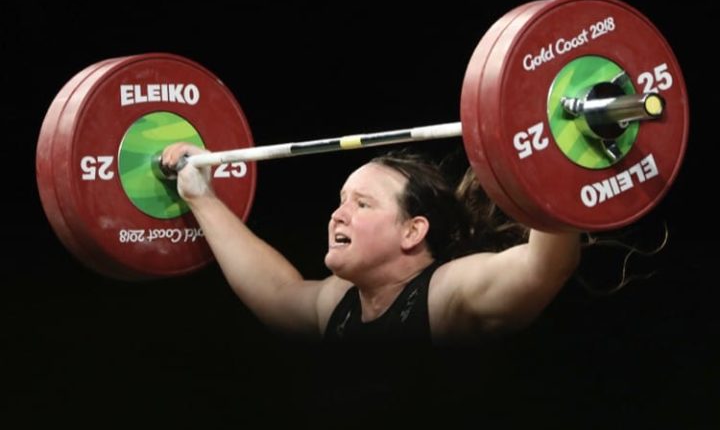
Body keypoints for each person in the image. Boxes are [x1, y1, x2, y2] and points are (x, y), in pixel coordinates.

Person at [161, 143, 581, 344]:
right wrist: (200, 196)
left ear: (412, 232)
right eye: (341, 201)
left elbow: (543, 267)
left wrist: (563, 159)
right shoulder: (340, 303)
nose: (338, 215)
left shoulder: (446, 293)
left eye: (362, 204)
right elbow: (276, 292)